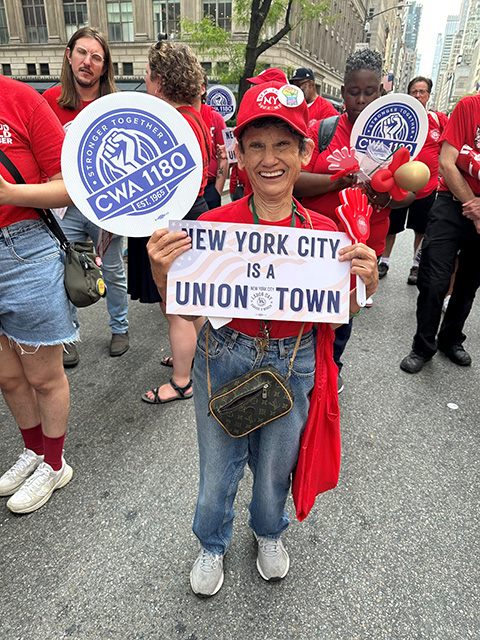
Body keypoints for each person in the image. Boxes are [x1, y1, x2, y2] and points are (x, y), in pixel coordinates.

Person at [147, 81, 378, 596]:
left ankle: (269, 531)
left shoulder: (327, 235)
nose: (269, 159)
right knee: (217, 466)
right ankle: (211, 541)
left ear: (304, 153)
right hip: (223, 354)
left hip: (294, 360)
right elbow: (186, 311)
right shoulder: (211, 226)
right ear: (239, 153)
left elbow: (337, 316)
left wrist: (365, 286)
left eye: (282, 145)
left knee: (277, 466)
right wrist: (164, 275)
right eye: (256, 145)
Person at [294, 49, 414, 392]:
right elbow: (295, 180)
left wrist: (384, 196)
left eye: (369, 92)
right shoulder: (323, 130)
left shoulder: (397, 137)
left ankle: (332, 367)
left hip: (362, 245)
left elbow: (409, 193)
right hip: (314, 240)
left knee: (344, 312)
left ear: (381, 91)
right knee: (305, 308)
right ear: (343, 90)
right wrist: (339, 181)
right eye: (353, 91)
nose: (360, 100)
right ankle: (301, 368)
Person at [0, 76, 75, 513]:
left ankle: (54, 463)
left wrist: (11, 193)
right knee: (7, 377)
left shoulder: (20, 98)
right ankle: (33, 450)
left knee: (43, 376)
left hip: (24, 249)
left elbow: (71, 186)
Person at [43, 27, 129, 367]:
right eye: (82, 52)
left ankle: (120, 327)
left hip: (107, 207)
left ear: (104, 66)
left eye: (96, 57)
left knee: (113, 270)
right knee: (62, 271)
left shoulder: (117, 104)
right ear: (69, 55)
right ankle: (67, 336)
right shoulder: (48, 102)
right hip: (64, 207)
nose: (87, 62)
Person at [128, 40, 208, 403]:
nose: (145, 81)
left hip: (175, 220)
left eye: (147, 74)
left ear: (160, 81)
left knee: (176, 307)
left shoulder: (173, 122)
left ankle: (182, 381)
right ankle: (194, 359)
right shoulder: (195, 117)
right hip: (191, 215)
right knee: (192, 304)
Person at [400, 92, 480, 374]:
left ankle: (451, 339)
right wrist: (473, 206)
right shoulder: (469, 106)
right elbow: (447, 162)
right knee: (434, 279)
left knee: (468, 284)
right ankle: (422, 346)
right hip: (451, 203)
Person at [378, 77, 448, 284]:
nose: (418, 95)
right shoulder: (400, 118)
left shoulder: (438, 120)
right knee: (391, 227)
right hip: (399, 185)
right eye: (414, 91)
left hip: (427, 187)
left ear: (429, 94)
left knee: (421, 229)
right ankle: (384, 261)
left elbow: (448, 148)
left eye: (422, 91)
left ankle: (416, 266)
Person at [200, 73, 229, 210]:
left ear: (202, 89)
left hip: (209, 186)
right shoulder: (179, 115)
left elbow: (225, 155)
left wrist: (217, 191)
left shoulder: (215, 118)